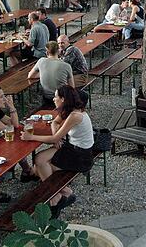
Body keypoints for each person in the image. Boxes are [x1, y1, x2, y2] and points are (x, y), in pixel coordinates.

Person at [21, 86, 93, 219]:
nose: (53, 99)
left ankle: (54, 200)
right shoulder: (69, 109)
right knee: (39, 159)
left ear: (63, 99)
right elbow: (55, 122)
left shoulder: (75, 116)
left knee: (40, 166)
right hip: (71, 147)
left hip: (80, 155)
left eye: (56, 97)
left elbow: (54, 138)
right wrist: (56, 136)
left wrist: (31, 137)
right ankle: (62, 193)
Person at [28, 41, 73, 108]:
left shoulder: (41, 61)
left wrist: (44, 74)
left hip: (47, 98)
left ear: (46, 52)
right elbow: (72, 87)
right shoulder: (66, 66)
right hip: (61, 98)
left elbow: (30, 76)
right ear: (58, 51)